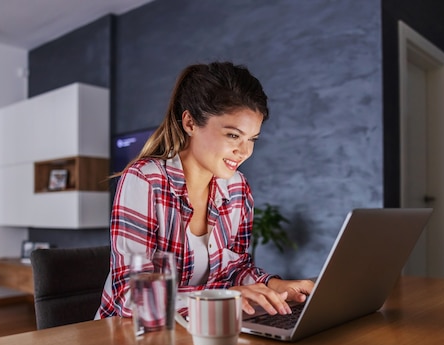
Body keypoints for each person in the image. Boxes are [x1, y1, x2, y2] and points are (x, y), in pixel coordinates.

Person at [95, 61, 314, 319]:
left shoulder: (236, 188)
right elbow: (130, 297)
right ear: (190, 123)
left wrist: (273, 285)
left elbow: (235, 269)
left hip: (199, 331)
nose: (244, 152)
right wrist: (225, 296)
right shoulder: (145, 181)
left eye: (252, 139)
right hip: (131, 341)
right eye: (233, 135)